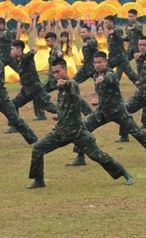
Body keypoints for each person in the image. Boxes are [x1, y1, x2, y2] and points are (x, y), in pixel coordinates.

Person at [27, 58, 135, 189]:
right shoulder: (59, 86)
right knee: (38, 148)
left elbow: (72, 88)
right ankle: (39, 180)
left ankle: (125, 174)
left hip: (77, 132)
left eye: (58, 71)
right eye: (53, 72)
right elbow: (67, 105)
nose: (55, 75)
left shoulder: (71, 84)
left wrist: (65, 83)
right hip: (61, 131)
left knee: (98, 156)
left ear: (65, 70)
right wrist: (59, 115)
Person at [68, 52, 146, 166]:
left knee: (137, 132)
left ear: (106, 62)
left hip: (118, 111)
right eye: (95, 63)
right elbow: (105, 94)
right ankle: (80, 157)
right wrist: (99, 101)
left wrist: (103, 78)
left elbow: (109, 78)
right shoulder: (96, 75)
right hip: (103, 112)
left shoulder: (110, 74)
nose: (97, 65)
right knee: (83, 129)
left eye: (100, 62)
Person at [103, 16, 139, 84]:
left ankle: (143, 87)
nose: (105, 25)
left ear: (111, 22)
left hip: (120, 57)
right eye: (104, 23)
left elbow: (119, 34)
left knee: (131, 75)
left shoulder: (116, 30)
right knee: (104, 70)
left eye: (106, 23)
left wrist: (114, 32)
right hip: (114, 57)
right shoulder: (109, 32)